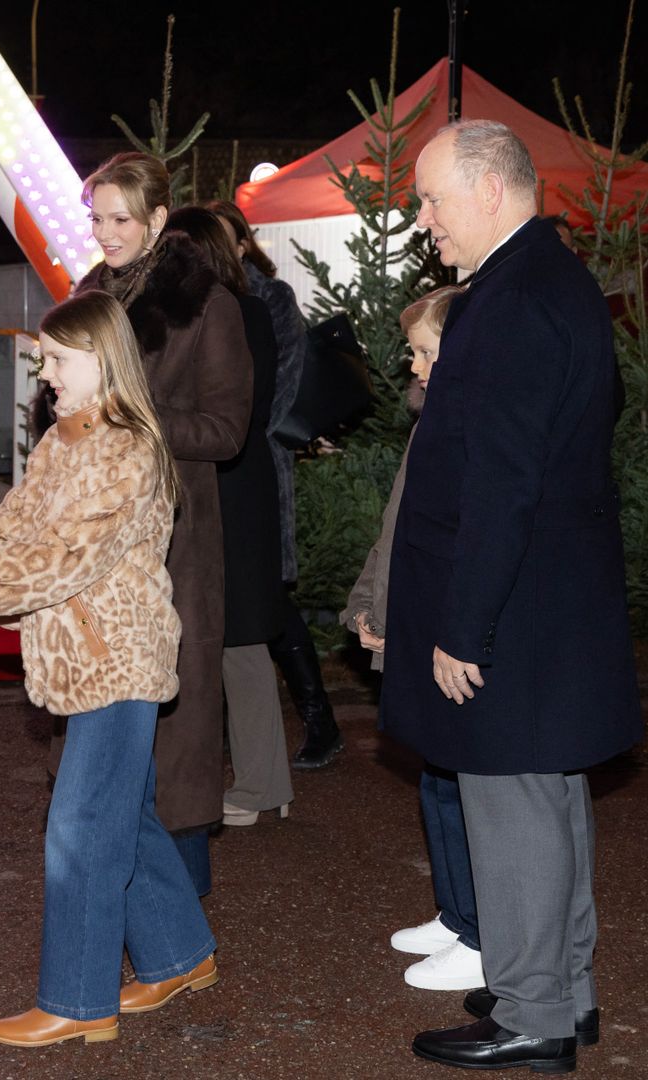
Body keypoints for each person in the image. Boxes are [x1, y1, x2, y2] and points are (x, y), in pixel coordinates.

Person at [0, 291, 217, 1048]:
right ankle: (180, 955)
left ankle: (80, 1001)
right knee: (125, 814)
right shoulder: (67, 439)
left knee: (81, 831)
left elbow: (63, 561)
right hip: (86, 654)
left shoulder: (125, 449)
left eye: (57, 359)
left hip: (116, 656)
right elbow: (14, 527)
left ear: (101, 358)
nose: (43, 371)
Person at [381, 121, 642, 1072]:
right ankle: (562, 997)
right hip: (549, 602)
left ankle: (532, 1014)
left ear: (490, 189)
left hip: (515, 610)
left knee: (513, 807)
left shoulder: (513, 300)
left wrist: (464, 625)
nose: (424, 220)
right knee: (549, 799)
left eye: (433, 199)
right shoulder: (551, 283)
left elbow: (501, 480)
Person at [71, 154, 252, 893]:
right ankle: (115, 881)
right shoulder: (90, 294)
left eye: (120, 219)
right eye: (97, 218)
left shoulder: (208, 306)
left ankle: (181, 906)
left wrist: (130, 417)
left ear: (155, 222)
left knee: (174, 726)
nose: (105, 232)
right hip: (95, 536)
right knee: (105, 715)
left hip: (174, 539)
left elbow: (226, 430)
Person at [341, 285, 484, 992]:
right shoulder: (429, 425)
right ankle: (458, 915)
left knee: (459, 784)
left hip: (445, 630)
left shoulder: (460, 431)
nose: (413, 367)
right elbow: (396, 533)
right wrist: (369, 603)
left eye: (424, 353)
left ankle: (482, 932)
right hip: (416, 619)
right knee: (436, 778)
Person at [166, 205, 292, 826]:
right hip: (235, 483)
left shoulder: (229, 311)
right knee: (232, 638)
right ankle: (262, 780)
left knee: (236, 638)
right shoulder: (244, 309)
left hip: (228, 487)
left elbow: (231, 416)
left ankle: (262, 782)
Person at [207, 199, 342, 769]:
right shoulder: (210, 300)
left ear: (242, 244)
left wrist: (241, 433)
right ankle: (238, 734)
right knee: (235, 593)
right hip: (218, 463)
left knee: (266, 594)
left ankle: (319, 720)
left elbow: (283, 386)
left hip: (258, 461)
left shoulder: (270, 298)